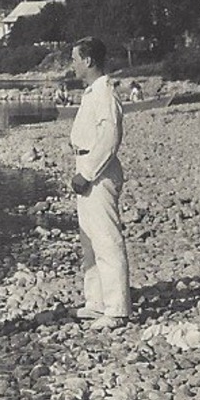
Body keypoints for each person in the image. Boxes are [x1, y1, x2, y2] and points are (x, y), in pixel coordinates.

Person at [68, 37, 131, 329]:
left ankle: (117, 308)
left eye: (75, 59)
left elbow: (109, 138)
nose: (73, 65)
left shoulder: (105, 94)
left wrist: (88, 172)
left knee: (106, 239)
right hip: (86, 163)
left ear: (88, 61)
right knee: (89, 240)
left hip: (99, 171)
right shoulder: (92, 93)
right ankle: (96, 302)